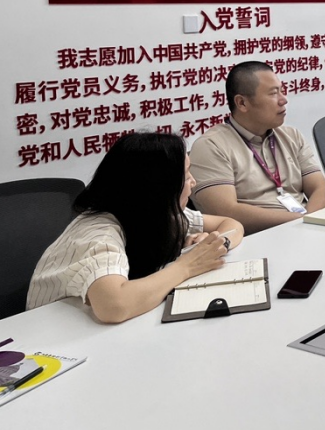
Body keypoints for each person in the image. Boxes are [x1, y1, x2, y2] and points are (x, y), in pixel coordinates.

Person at [27, 132, 243, 323]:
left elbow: (232, 225)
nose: (193, 182)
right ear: (158, 188)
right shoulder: (98, 234)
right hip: (46, 338)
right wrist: (187, 266)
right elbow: (114, 306)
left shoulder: (153, 212)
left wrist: (215, 243)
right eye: (186, 176)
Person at [190, 61, 325, 233]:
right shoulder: (211, 146)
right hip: (256, 238)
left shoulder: (291, 135)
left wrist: (309, 221)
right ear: (242, 103)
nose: (283, 100)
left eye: (282, 91)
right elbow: (226, 212)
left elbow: (320, 188)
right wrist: (299, 221)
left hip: (304, 228)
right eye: (273, 93)